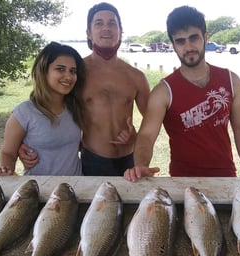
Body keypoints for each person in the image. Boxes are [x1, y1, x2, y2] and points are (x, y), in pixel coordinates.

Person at [124, 6, 240, 182]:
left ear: (205, 37)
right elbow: (147, 135)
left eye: (194, 38)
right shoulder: (163, 91)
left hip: (225, 177)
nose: (188, 47)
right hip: (182, 181)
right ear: (173, 45)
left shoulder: (231, 81)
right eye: (180, 41)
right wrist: (141, 164)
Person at [18, 2, 150, 176]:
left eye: (112, 23)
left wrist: (136, 137)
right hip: (92, 160)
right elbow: (43, 105)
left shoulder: (136, 77)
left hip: (130, 159)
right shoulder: (75, 72)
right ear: (88, 32)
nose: (106, 28)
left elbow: (152, 121)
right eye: (99, 23)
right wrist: (20, 142)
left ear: (120, 31)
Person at [0, 42, 85, 176]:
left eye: (73, 71)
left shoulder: (76, 107)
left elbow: (76, 145)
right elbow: (7, 153)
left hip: (74, 191)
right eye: (60, 69)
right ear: (43, 71)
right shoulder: (24, 112)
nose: (69, 76)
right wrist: (6, 170)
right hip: (38, 192)